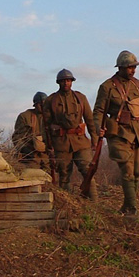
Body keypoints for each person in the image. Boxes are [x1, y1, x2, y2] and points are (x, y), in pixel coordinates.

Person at [92, 50, 139, 216]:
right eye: (129, 67)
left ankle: (126, 207)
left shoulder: (138, 84)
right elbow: (98, 111)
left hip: (136, 132)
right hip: (118, 133)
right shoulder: (107, 87)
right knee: (127, 170)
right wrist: (98, 128)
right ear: (120, 67)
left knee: (138, 172)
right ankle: (132, 210)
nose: (133, 70)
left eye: (134, 67)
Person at [43, 69, 98, 197]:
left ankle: (94, 201)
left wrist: (94, 139)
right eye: (63, 81)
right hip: (61, 143)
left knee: (88, 171)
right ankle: (67, 204)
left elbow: (90, 119)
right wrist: (48, 145)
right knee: (64, 175)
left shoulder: (81, 98)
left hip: (80, 141)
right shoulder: (51, 100)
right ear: (58, 83)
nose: (66, 83)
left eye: (68, 80)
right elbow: (45, 125)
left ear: (72, 82)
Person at [11, 92, 50, 171]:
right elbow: (17, 137)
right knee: (32, 176)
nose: (43, 107)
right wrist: (25, 150)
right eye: (40, 105)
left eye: (45, 105)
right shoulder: (25, 116)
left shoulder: (52, 117)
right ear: (35, 105)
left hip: (48, 156)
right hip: (31, 155)